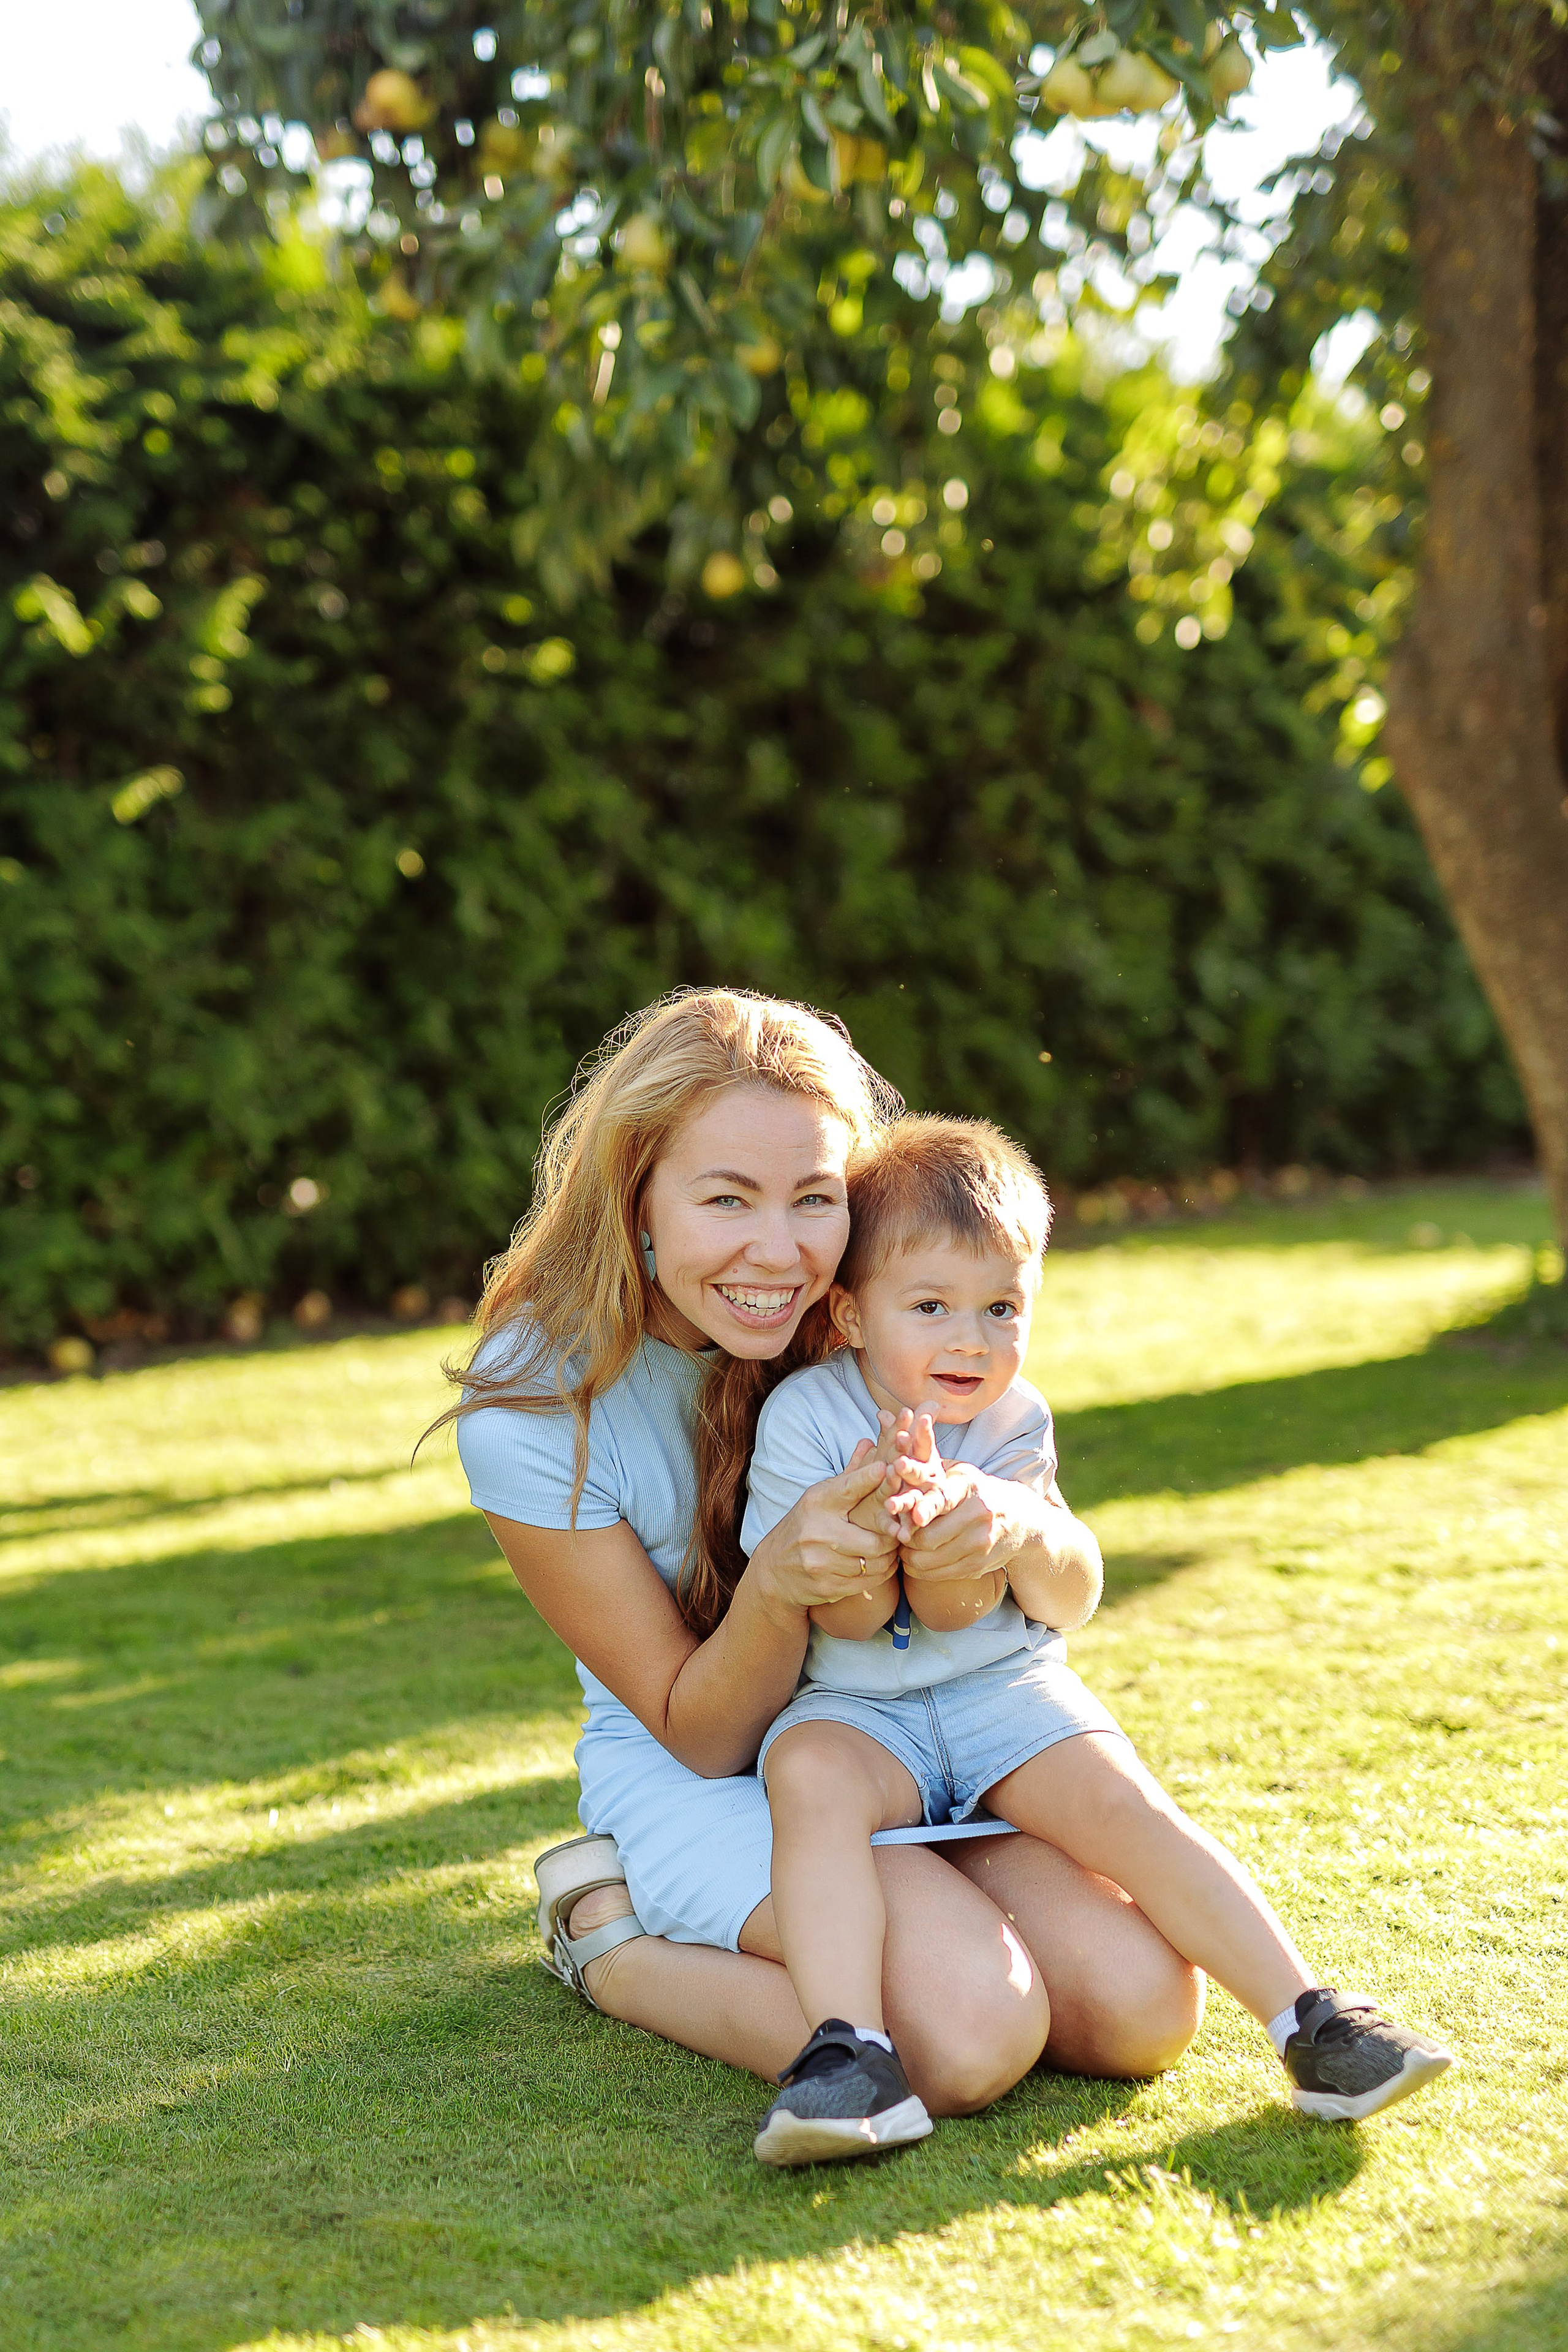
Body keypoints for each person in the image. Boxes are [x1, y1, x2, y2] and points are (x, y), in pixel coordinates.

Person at [445, 987, 1204, 2119]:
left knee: (1143, 2008)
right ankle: (611, 1943)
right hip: (706, 1764)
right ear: (635, 1201)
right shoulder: (534, 1408)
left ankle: (917, 1915)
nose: (777, 1248)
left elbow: (999, 1571)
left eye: (812, 1197)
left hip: (901, 1727)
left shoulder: (851, 1307)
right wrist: (780, 1587)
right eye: (725, 1198)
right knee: (966, 2037)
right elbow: (699, 1734)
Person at [743, 1114, 1454, 2165]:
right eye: (930, 1307)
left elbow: (996, 1610)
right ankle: (850, 2053)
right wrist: (874, 1529)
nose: (970, 1341)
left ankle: (1312, 2021)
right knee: (807, 1774)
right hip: (860, 1710)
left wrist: (1001, 1527)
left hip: (1002, 1693)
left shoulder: (1014, 1418)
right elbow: (841, 1619)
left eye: (1002, 1308)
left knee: (1126, 1803)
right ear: (850, 1314)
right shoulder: (805, 1419)